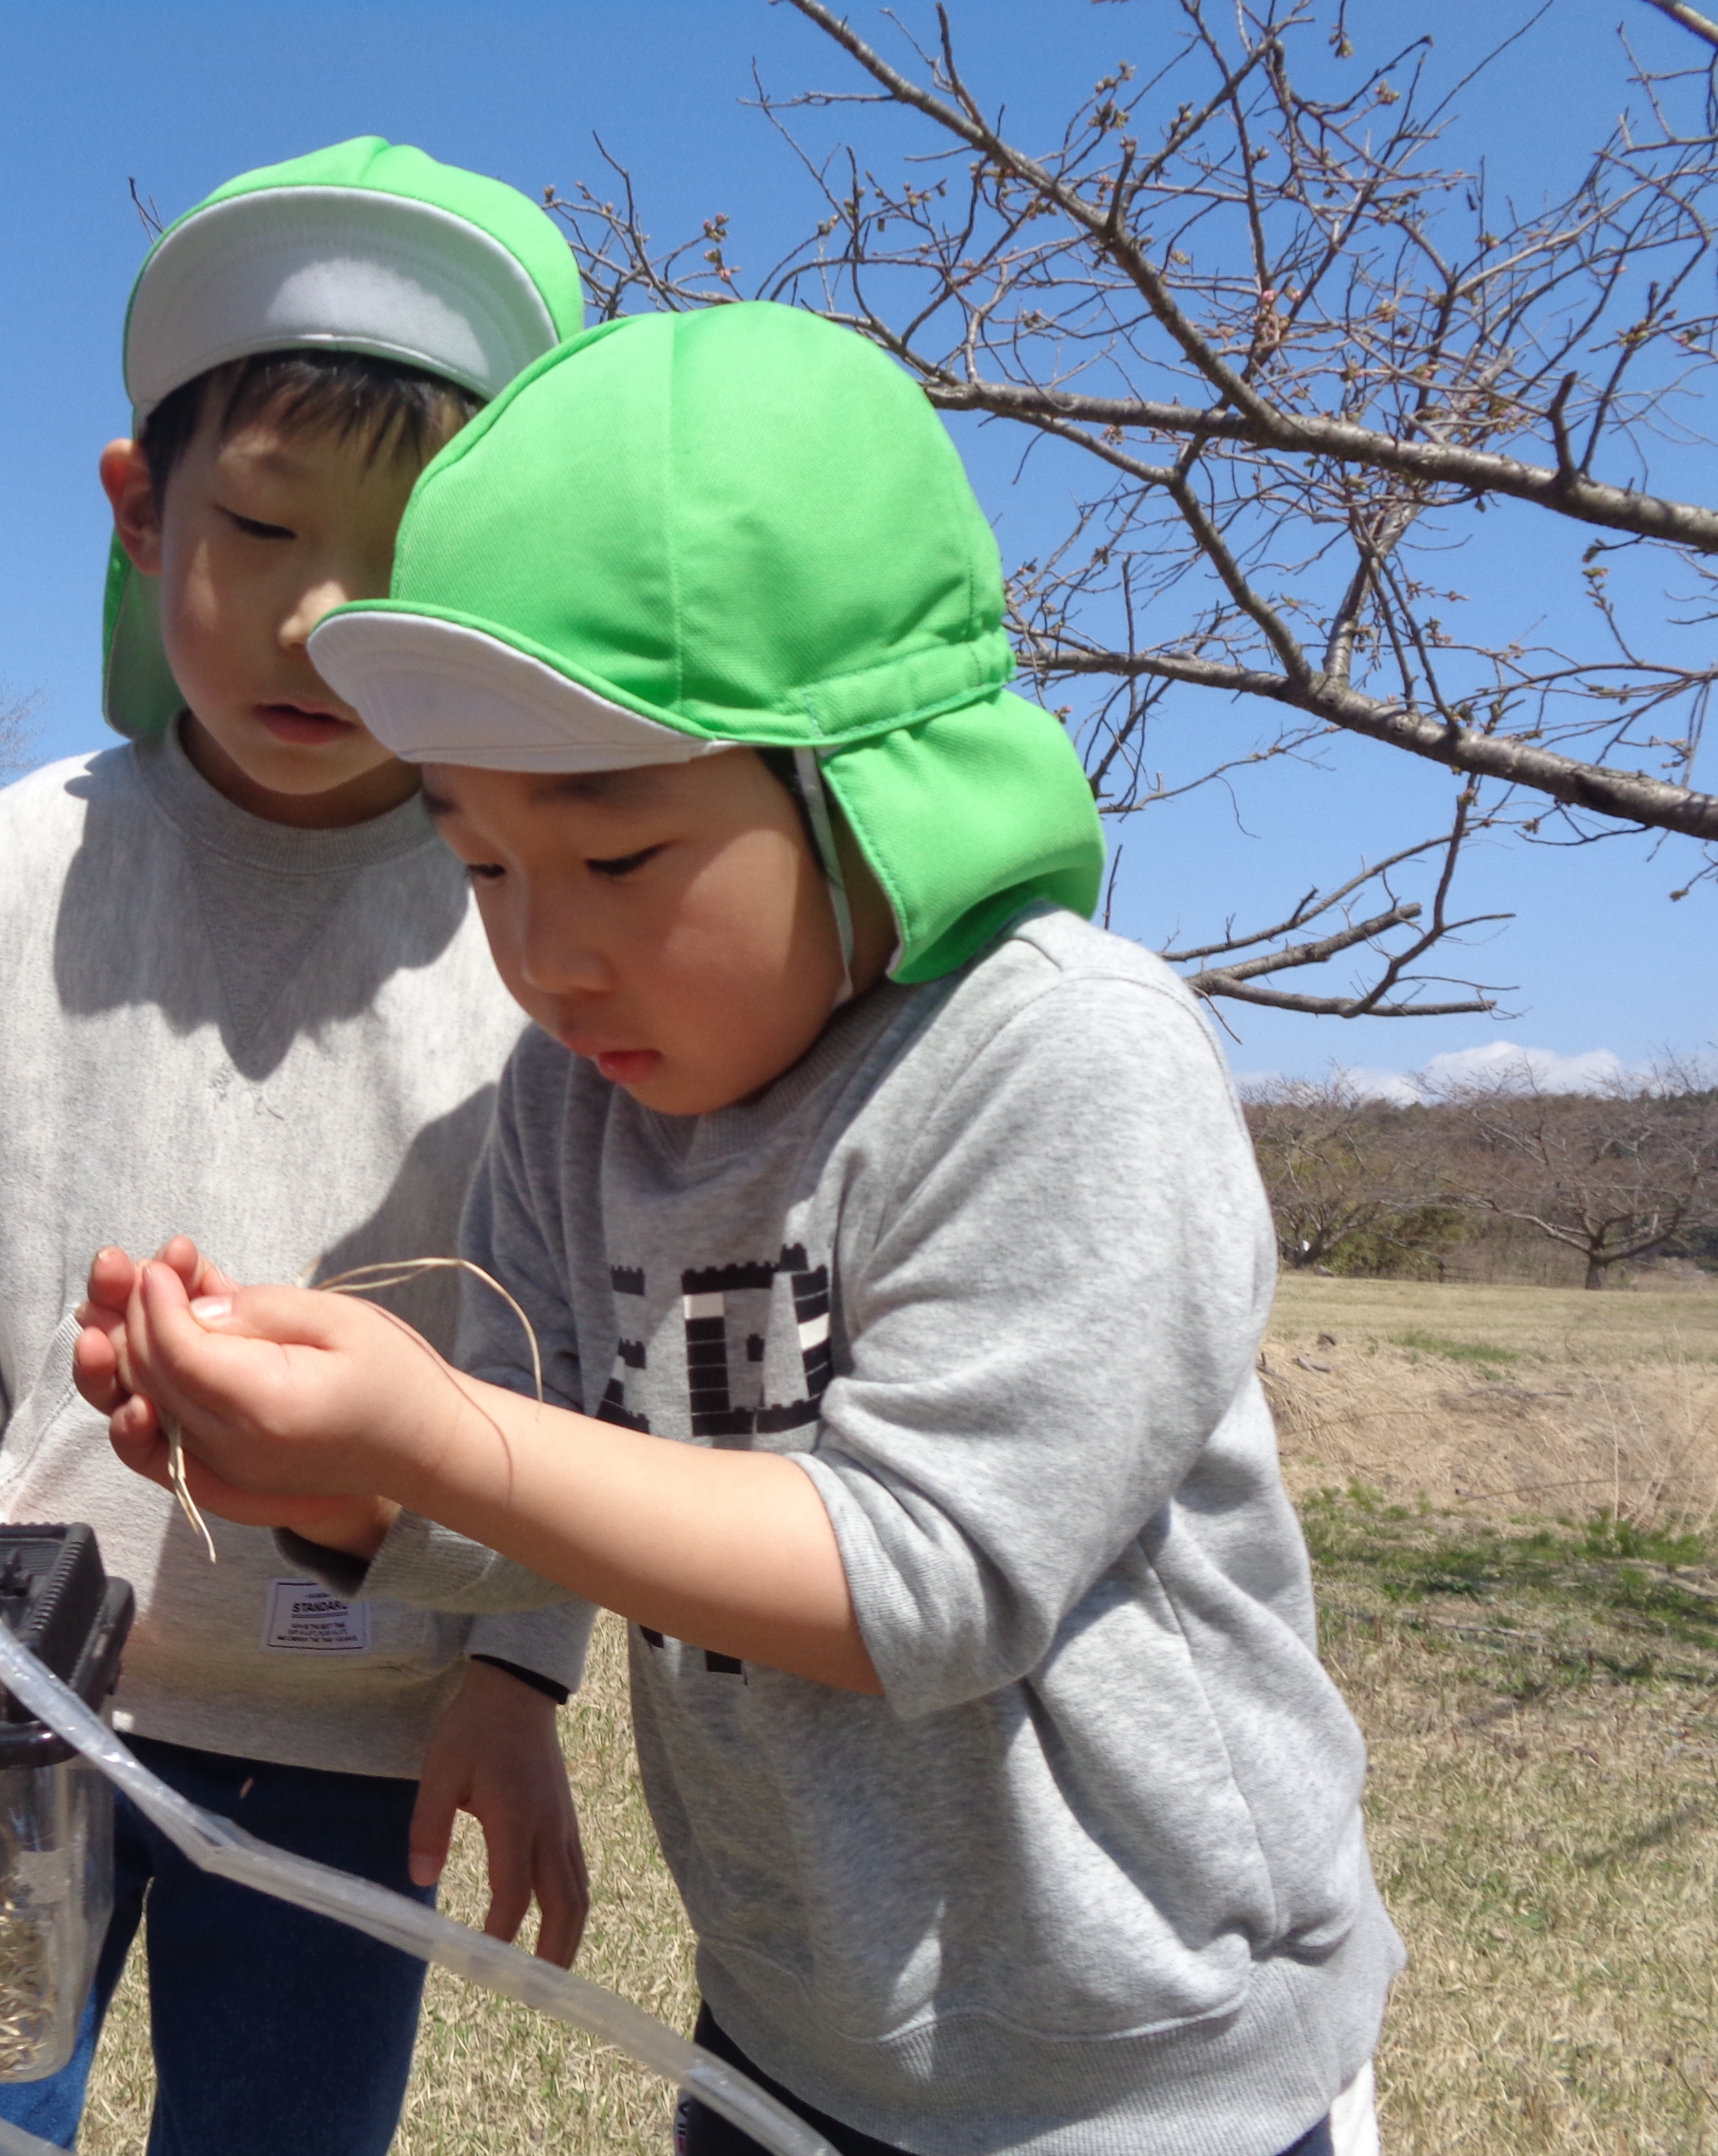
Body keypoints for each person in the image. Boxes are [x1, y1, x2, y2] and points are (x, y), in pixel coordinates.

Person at [76, 303, 1403, 2156]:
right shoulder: (575, 1106)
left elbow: (933, 1578)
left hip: (1141, 2058)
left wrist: (431, 1435)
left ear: (863, 785)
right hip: (792, 2022)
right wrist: (331, 1479)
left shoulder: (1060, 1059)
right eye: (478, 863)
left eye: (615, 856)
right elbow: (546, 1485)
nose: (546, 952)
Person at [0, 138, 595, 2156]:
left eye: (410, 557)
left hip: (361, 1736)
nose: (324, 620)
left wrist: (516, 1663)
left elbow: (577, 1337)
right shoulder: (18, 868)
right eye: (258, 529)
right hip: (2, 1695)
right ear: (142, 509)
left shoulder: (531, 919)